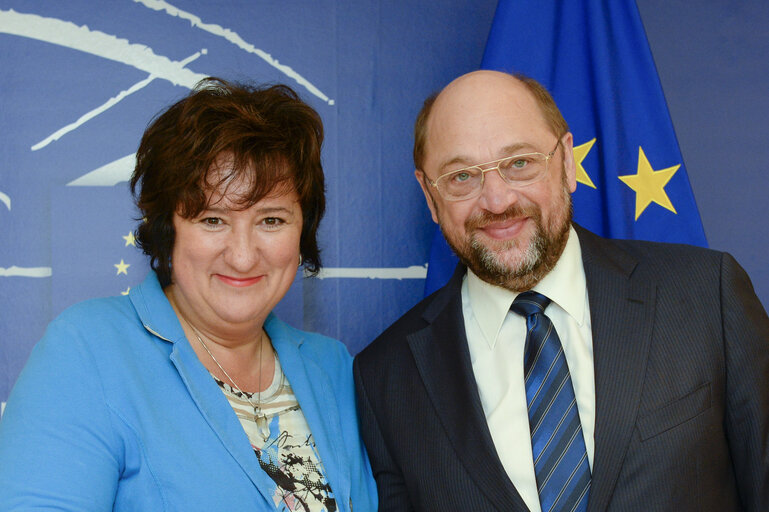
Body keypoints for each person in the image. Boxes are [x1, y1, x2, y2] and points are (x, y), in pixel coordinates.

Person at [353, 70, 769, 511]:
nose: (497, 201)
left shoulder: (706, 295)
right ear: (430, 195)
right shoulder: (386, 377)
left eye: (519, 163)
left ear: (567, 162)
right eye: (461, 177)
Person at [0, 78, 377, 511]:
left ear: (302, 232)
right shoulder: (86, 351)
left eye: (271, 220)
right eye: (212, 219)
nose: (242, 255)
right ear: (168, 229)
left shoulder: (334, 369)